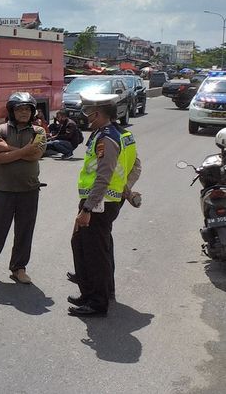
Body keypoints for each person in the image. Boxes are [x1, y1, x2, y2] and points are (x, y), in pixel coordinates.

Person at [68, 93, 141, 317]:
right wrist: (125, 190)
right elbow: (135, 166)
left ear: (98, 113)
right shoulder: (122, 133)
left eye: (89, 113)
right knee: (93, 245)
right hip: (109, 199)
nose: (87, 117)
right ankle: (97, 291)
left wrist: (88, 208)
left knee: (93, 251)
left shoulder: (106, 138)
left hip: (99, 202)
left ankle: (97, 302)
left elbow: (103, 175)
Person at [0, 92, 45, 284]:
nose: (24, 113)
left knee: (24, 231)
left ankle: (19, 268)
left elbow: (35, 156)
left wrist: (9, 149)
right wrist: (24, 151)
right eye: (19, 109)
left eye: (27, 109)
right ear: (12, 111)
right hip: (3, 190)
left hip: (29, 190)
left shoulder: (38, 132)